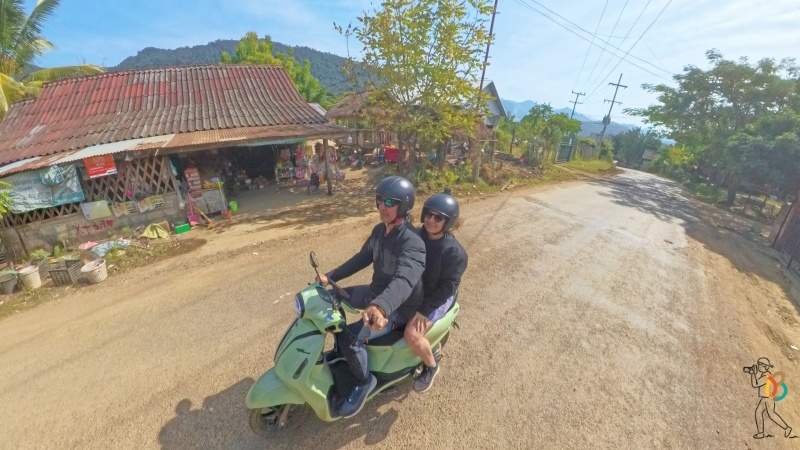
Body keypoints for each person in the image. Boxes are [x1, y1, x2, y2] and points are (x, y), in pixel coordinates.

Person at [318, 176, 425, 418]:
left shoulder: (413, 243)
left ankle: (363, 382)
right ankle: (342, 355)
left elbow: (404, 280)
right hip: (375, 294)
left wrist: (382, 307)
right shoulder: (379, 231)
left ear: (404, 206)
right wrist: (331, 276)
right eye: (378, 201)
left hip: (397, 307)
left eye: (389, 202)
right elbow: (362, 257)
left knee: (351, 338)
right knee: (333, 301)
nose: (381, 207)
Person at [404, 191, 468, 393]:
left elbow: (448, 287)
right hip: (418, 289)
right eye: (429, 215)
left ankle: (432, 365)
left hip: (438, 298)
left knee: (412, 334)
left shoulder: (454, 253)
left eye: (438, 218)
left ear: (448, 222)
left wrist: (424, 310)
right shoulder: (416, 235)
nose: (431, 220)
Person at [747, 357, 792, 439]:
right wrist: (753, 373)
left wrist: (752, 374)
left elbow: (755, 384)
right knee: (758, 412)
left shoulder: (767, 376)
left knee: (771, 414)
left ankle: (787, 428)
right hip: (765, 398)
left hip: (768, 398)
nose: (758, 367)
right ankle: (761, 432)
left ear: (764, 367)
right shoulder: (765, 374)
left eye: (760, 365)